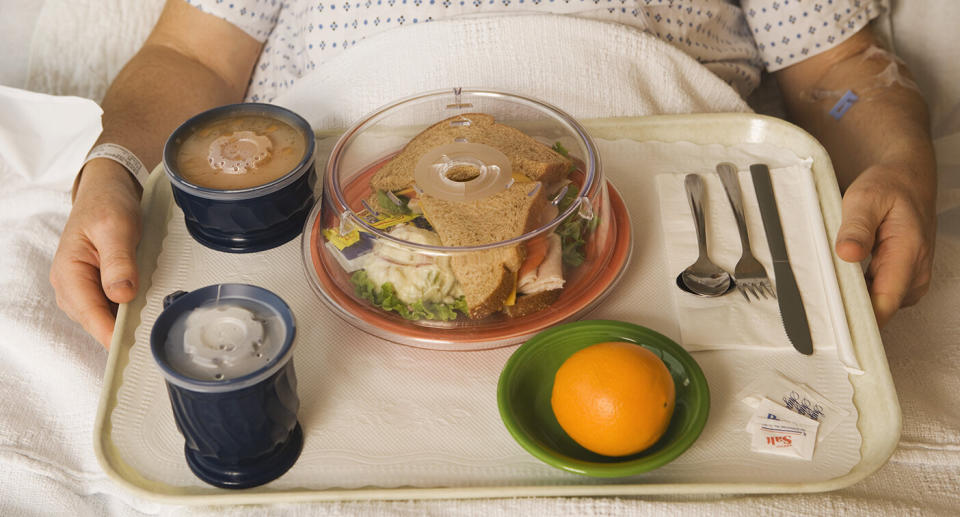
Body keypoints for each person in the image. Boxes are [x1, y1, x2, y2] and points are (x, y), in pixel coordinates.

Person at [50, 0, 937, 347]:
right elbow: (190, 59)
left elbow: (842, 75)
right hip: (326, 246)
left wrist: (898, 165)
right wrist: (115, 167)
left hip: (683, 239)